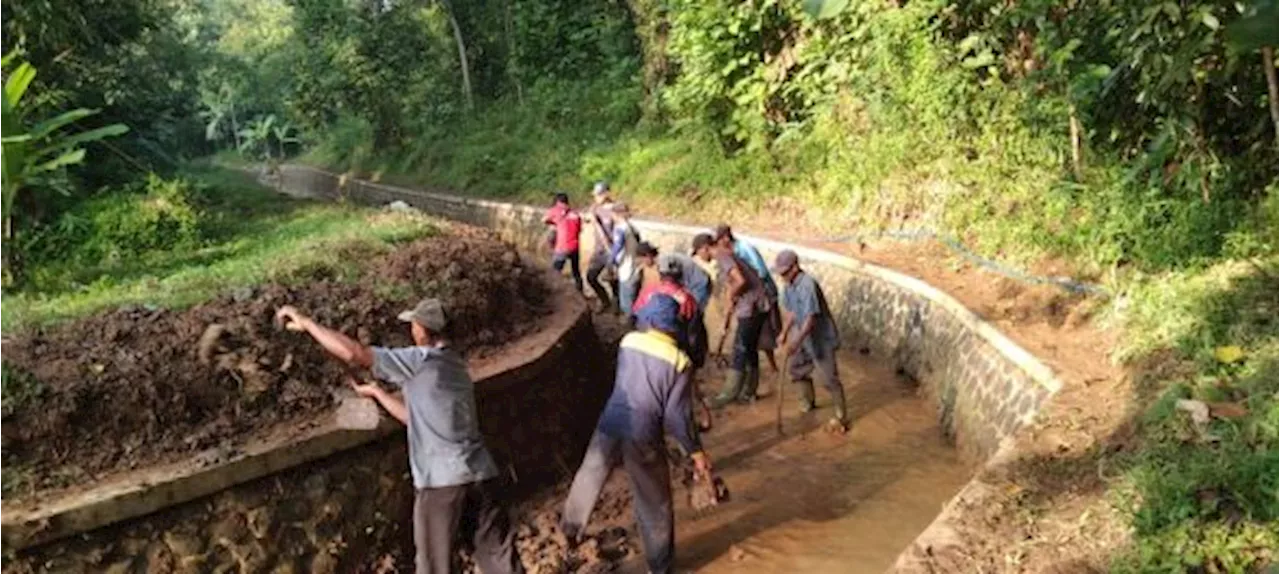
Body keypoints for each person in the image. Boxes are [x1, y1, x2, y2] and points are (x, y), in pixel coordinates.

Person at [274, 300, 523, 574]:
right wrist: (378, 393)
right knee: (498, 557)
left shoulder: (420, 361)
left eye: (414, 325)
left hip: (442, 484)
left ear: (423, 331)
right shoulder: (455, 366)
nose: (411, 330)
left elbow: (355, 354)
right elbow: (414, 418)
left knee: (433, 566)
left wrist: (307, 323)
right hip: (480, 474)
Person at [561, 295, 713, 574]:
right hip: (643, 434)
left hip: (611, 419)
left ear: (650, 320)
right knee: (654, 500)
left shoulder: (628, 342)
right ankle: (659, 566)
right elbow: (677, 416)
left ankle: (571, 531)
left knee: (590, 475)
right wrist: (696, 452)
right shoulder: (680, 362)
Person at [633, 253, 714, 431]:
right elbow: (694, 334)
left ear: (660, 275)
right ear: (680, 276)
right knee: (681, 399)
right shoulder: (687, 298)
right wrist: (695, 360)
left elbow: (635, 317)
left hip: (643, 351)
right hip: (674, 353)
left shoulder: (647, 293)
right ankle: (688, 438)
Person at [774, 250, 849, 432]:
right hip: (801, 333)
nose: (782, 276)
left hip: (819, 336)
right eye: (780, 273)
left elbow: (810, 319)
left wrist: (795, 341)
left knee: (828, 378)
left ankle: (841, 417)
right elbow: (792, 312)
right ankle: (807, 403)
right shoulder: (788, 285)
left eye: (785, 272)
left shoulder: (808, 285)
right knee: (797, 369)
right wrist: (784, 332)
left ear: (795, 267)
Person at [706, 237, 770, 408]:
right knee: (749, 349)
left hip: (751, 306)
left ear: (705, 248)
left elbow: (740, 281)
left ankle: (729, 394)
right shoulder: (728, 255)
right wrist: (727, 316)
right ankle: (749, 392)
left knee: (740, 349)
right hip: (759, 304)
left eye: (698, 252)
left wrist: (731, 295)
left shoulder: (723, 257)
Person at [712, 225, 780, 375]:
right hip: (749, 295)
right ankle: (760, 367)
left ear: (726, 238)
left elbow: (760, 272)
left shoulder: (744, 248)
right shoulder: (730, 254)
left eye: (718, 241)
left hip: (763, 293)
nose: (717, 246)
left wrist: (743, 288)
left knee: (764, 332)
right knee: (755, 333)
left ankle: (773, 367)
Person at [585, 182, 618, 311]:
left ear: (606, 194)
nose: (596, 198)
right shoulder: (595, 208)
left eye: (598, 195)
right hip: (599, 250)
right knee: (591, 277)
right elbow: (588, 216)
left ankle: (616, 306)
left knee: (613, 281)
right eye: (595, 195)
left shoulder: (615, 209)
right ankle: (604, 300)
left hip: (613, 250)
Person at [543, 192, 584, 293]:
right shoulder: (575, 213)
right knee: (576, 271)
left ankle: (554, 293)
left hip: (562, 247)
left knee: (555, 271)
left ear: (557, 201)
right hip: (575, 246)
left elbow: (544, 220)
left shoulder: (555, 210)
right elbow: (579, 230)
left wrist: (555, 223)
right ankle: (580, 292)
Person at [609, 202, 643, 317]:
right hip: (635, 266)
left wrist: (611, 261)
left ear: (616, 214)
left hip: (626, 269)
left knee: (626, 303)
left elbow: (618, 246)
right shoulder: (632, 227)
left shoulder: (621, 228)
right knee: (634, 297)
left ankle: (631, 325)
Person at [624, 241, 660, 325]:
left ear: (650, 255)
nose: (644, 260)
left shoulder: (660, 267)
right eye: (642, 258)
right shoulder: (642, 268)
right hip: (644, 297)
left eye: (645, 257)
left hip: (657, 298)